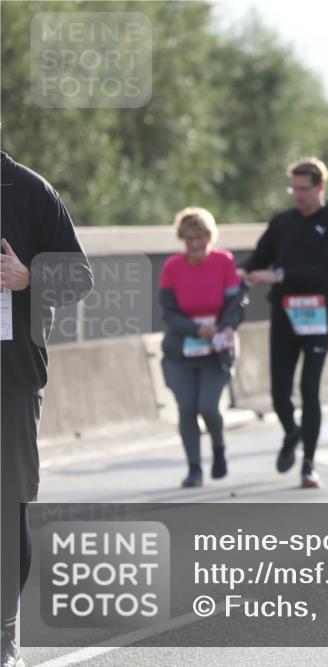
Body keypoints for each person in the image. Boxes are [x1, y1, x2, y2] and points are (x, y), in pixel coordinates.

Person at [1, 151, 93, 667]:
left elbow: (80, 278)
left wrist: (28, 278)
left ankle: (5, 630)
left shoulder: (29, 190)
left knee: (7, 506)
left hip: (10, 378)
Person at [240, 157, 328, 489]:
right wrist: (238, 274)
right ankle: (292, 432)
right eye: (294, 189)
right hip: (284, 313)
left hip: (318, 313)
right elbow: (258, 259)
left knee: (309, 388)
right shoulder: (282, 222)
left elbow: (324, 271)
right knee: (279, 394)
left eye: (304, 189)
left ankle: (308, 463)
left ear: (320, 188)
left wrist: (280, 275)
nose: (297, 196)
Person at [160, 207, 246, 487]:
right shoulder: (172, 267)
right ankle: (194, 468)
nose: (195, 244)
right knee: (186, 408)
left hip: (215, 351)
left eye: (200, 237)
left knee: (208, 407)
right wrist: (197, 329)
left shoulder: (224, 261)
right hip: (182, 350)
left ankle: (219, 449)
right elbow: (169, 313)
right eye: (189, 239)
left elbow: (236, 304)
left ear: (210, 237)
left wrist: (226, 328)